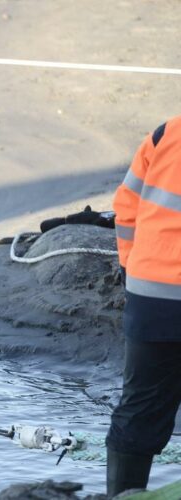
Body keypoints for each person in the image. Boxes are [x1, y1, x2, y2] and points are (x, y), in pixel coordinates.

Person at [105, 118, 181, 496]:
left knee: (139, 406)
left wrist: (131, 266)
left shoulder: (167, 132)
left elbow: (126, 205)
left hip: (151, 293)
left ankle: (121, 495)